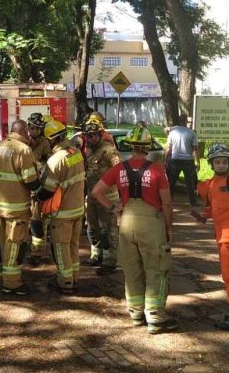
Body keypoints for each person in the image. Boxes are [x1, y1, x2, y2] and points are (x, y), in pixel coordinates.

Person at [92, 125, 177, 334]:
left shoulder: (119, 169)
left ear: (130, 146)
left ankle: (136, 314)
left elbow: (97, 191)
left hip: (127, 221)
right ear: (147, 147)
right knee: (155, 269)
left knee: (132, 269)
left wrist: (113, 208)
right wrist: (168, 227)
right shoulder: (157, 170)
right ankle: (156, 317)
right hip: (151, 222)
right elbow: (166, 203)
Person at [197, 144, 229, 331]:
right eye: (217, 162)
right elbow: (213, 208)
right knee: (228, 276)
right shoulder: (211, 183)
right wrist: (203, 215)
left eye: (224, 162)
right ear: (212, 164)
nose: (221, 165)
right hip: (221, 235)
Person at [0, 120, 40, 295]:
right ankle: (12, 283)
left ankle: (7, 275)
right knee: (15, 244)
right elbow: (31, 181)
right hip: (17, 208)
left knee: (5, 243)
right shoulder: (23, 150)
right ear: (24, 131)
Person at [34, 119, 86, 294]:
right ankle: (75, 278)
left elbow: (48, 189)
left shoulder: (56, 160)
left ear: (51, 140)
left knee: (61, 246)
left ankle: (65, 282)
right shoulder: (76, 153)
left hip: (62, 213)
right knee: (73, 245)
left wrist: (36, 196)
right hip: (78, 209)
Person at [81, 121, 121, 275]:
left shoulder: (109, 151)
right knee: (93, 227)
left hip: (107, 198)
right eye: (87, 136)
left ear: (99, 135)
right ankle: (96, 255)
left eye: (91, 136)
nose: (89, 139)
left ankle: (109, 261)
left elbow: (119, 172)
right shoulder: (89, 150)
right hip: (91, 197)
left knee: (108, 230)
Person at [27, 113, 52, 264]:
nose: (34, 131)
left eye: (37, 128)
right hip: (25, 187)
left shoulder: (45, 143)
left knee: (37, 220)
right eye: (32, 128)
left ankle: (37, 253)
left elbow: (49, 165)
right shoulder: (24, 142)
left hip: (38, 187)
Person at [165, 114, 199, 206]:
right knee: (189, 182)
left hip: (175, 159)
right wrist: (198, 162)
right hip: (188, 160)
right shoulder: (192, 133)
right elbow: (195, 148)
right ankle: (192, 201)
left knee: (171, 182)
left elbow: (169, 148)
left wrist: (165, 159)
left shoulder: (173, 133)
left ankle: (169, 201)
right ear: (185, 122)